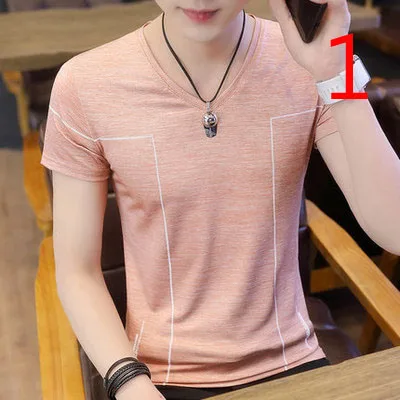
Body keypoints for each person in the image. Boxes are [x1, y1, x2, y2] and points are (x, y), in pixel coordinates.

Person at [40, 0, 400, 399]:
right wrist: (129, 382)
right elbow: (77, 272)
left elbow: (395, 231)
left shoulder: (305, 63)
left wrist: (336, 72)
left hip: (293, 361)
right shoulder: (86, 83)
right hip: (160, 375)